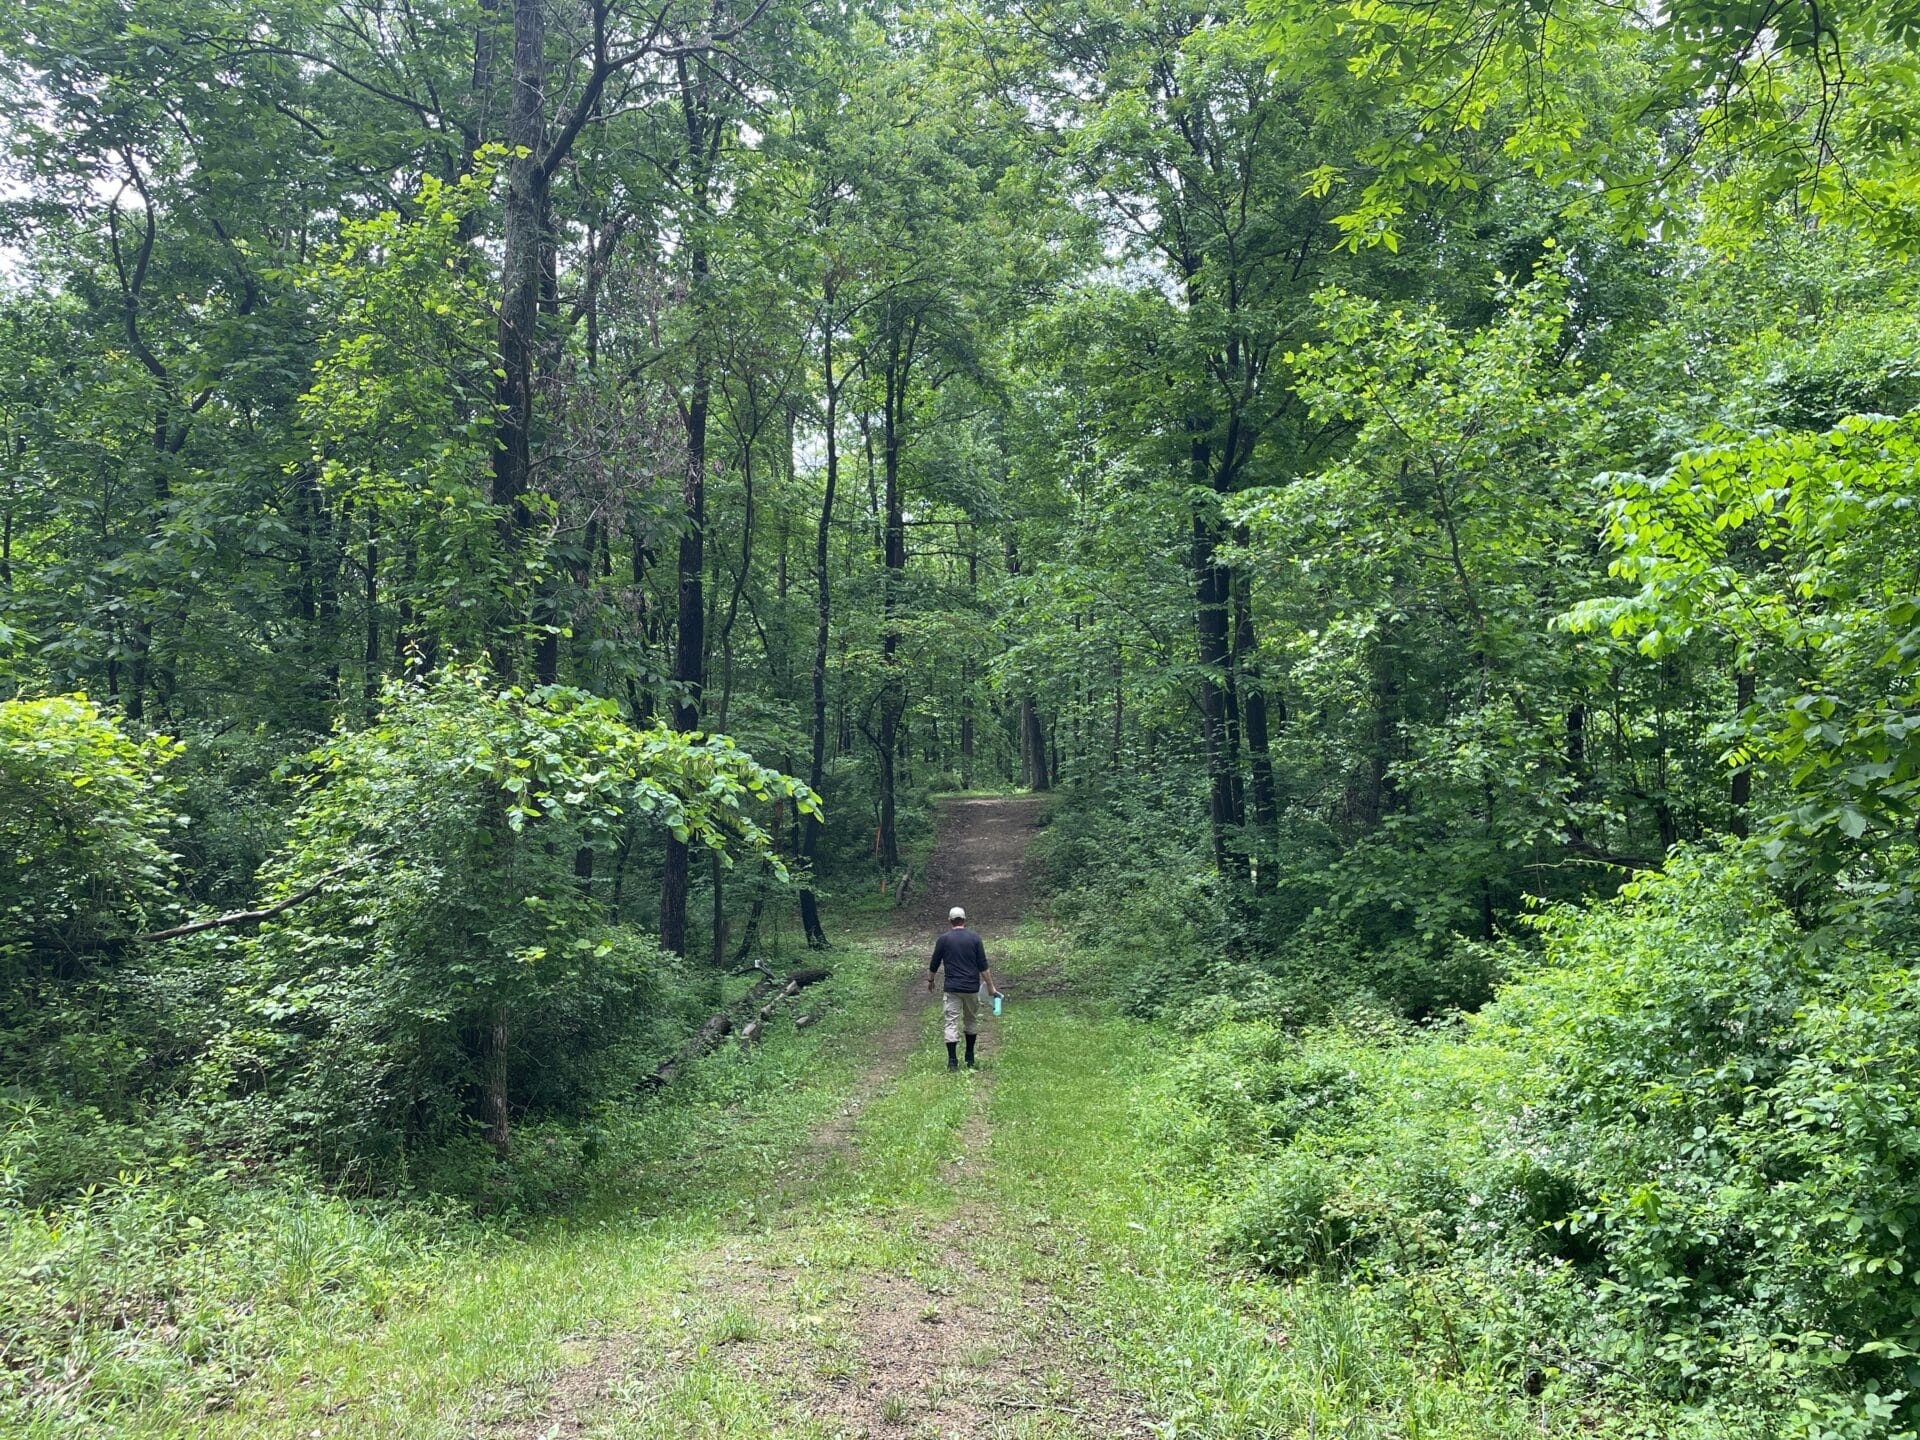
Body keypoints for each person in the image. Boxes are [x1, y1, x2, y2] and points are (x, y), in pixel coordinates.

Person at [927, 905, 1001, 1071]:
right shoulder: (975, 938)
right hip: (971, 988)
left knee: (951, 1022)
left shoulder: (943, 940)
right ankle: (969, 1056)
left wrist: (930, 980)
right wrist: (990, 986)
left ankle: (952, 1061)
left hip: (952, 988)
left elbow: (934, 962)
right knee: (971, 1020)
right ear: (964, 920)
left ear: (950, 921)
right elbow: (983, 965)